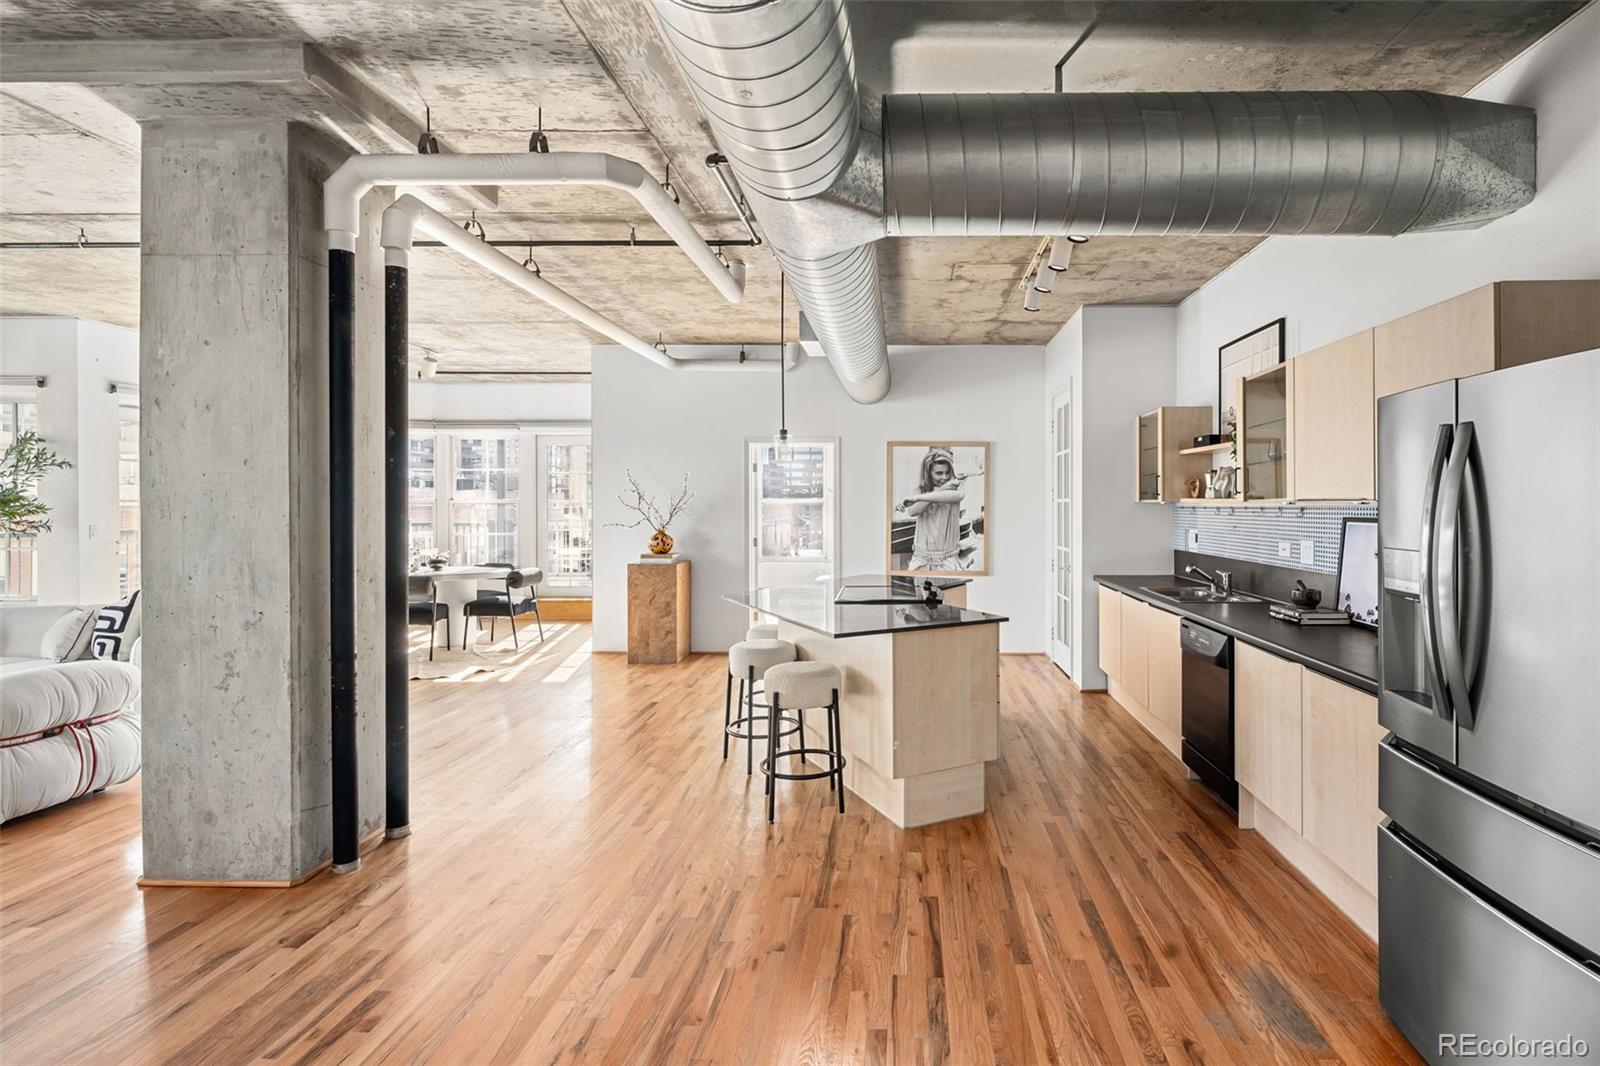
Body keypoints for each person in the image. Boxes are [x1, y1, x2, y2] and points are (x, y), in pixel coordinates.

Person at [897, 447, 968, 571]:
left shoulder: (955, 488)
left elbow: (959, 496)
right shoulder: (920, 490)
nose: (944, 477)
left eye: (947, 472)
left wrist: (917, 498)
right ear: (929, 473)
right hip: (921, 559)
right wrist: (936, 491)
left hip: (948, 560)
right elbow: (913, 511)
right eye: (939, 473)